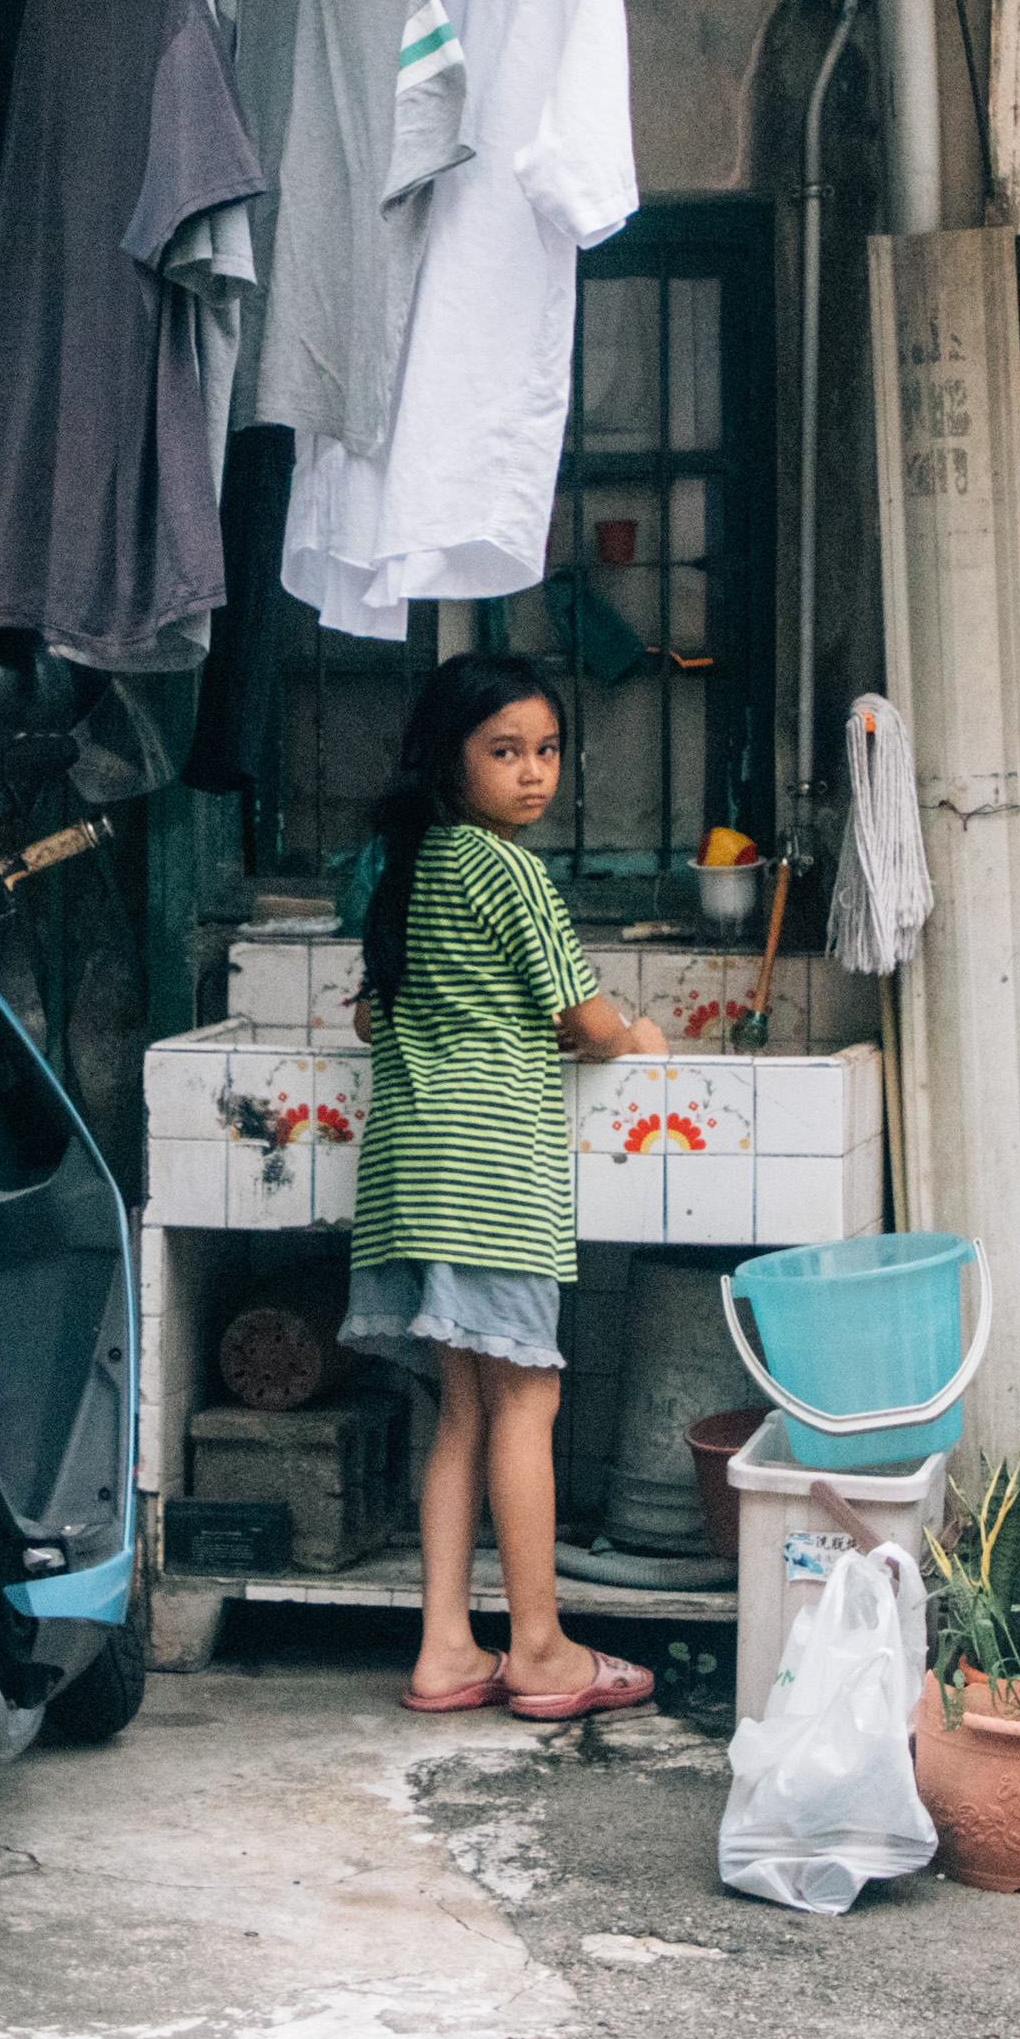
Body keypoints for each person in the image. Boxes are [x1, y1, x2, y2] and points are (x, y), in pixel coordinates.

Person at [343, 651, 668, 1720]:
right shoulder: (506, 870)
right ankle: (538, 1650)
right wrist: (636, 1033)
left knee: (465, 1414)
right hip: (491, 1174)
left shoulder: (408, 864)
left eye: (546, 751)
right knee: (529, 1400)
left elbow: (370, 1012)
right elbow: (581, 1020)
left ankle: (446, 1649)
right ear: (450, 760)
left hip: (411, 1171)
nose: (533, 774)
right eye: (504, 752)